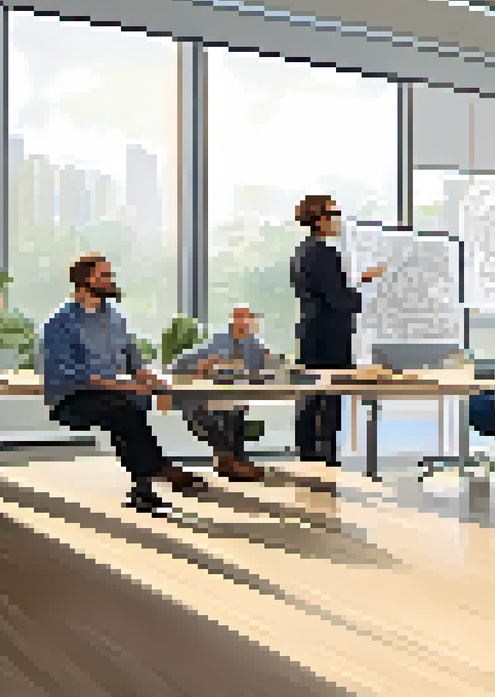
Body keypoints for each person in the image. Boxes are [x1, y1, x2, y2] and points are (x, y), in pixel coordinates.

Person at [43, 255, 206, 515]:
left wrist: (155, 381)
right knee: (123, 407)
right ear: (84, 280)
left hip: (114, 396)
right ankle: (158, 468)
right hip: (72, 399)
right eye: (103, 276)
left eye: (110, 275)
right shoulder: (60, 323)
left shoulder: (115, 317)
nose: (110, 281)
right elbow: (69, 374)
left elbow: (134, 361)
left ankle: (143, 491)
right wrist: (120, 385)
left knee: (128, 409)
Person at [289, 195, 386, 466]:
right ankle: (325, 458)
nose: (338, 219)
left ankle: (309, 455)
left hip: (311, 332)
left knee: (311, 396)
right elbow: (339, 300)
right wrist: (363, 292)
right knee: (330, 396)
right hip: (330, 334)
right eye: (334, 212)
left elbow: (324, 291)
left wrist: (356, 283)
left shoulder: (301, 251)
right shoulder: (325, 253)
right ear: (319, 218)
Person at [167, 306, 285, 482]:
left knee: (234, 408)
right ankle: (231, 461)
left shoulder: (253, 344)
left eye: (250, 320)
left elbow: (269, 365)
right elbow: (176, 366)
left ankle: (231, 463)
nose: (246, 324)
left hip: (231, 396)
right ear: (233, 320)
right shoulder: (217, 341)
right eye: (242, 319)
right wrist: (200, 368)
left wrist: (278, 363)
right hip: (204, 396)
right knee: (210, 412)